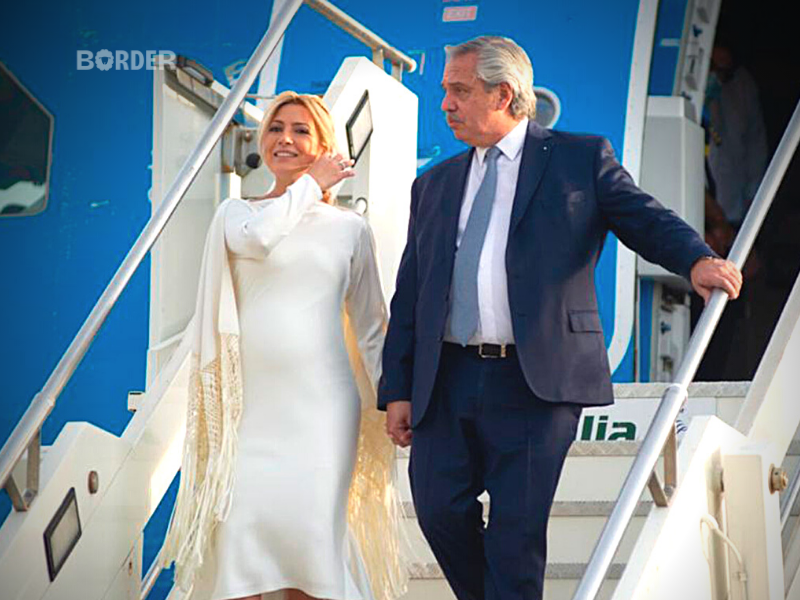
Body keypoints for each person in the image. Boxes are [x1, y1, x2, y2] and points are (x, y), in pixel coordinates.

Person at [378, 36, 743, 600]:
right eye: (447, 91)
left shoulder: (579, 158)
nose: (445, 103)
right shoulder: (434, 183)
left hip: (534, 381)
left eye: (460, 91)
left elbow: (644, 219)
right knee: (437, 511)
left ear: (503, 94)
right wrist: (398, 387)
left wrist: (696, 258)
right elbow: (411, 293)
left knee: (516, 537)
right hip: (446, 377)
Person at [162, 91, 407, 600]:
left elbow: (371, 327)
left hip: (323, 413)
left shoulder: (349, 228)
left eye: (300, 130)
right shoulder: (237, 215)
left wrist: (394, 399)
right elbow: (260, 240)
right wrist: (311, 184)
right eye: (275, 128)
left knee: (310, 552)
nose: (285, 139)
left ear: (323, 145)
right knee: (240, 548)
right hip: (247, 412)